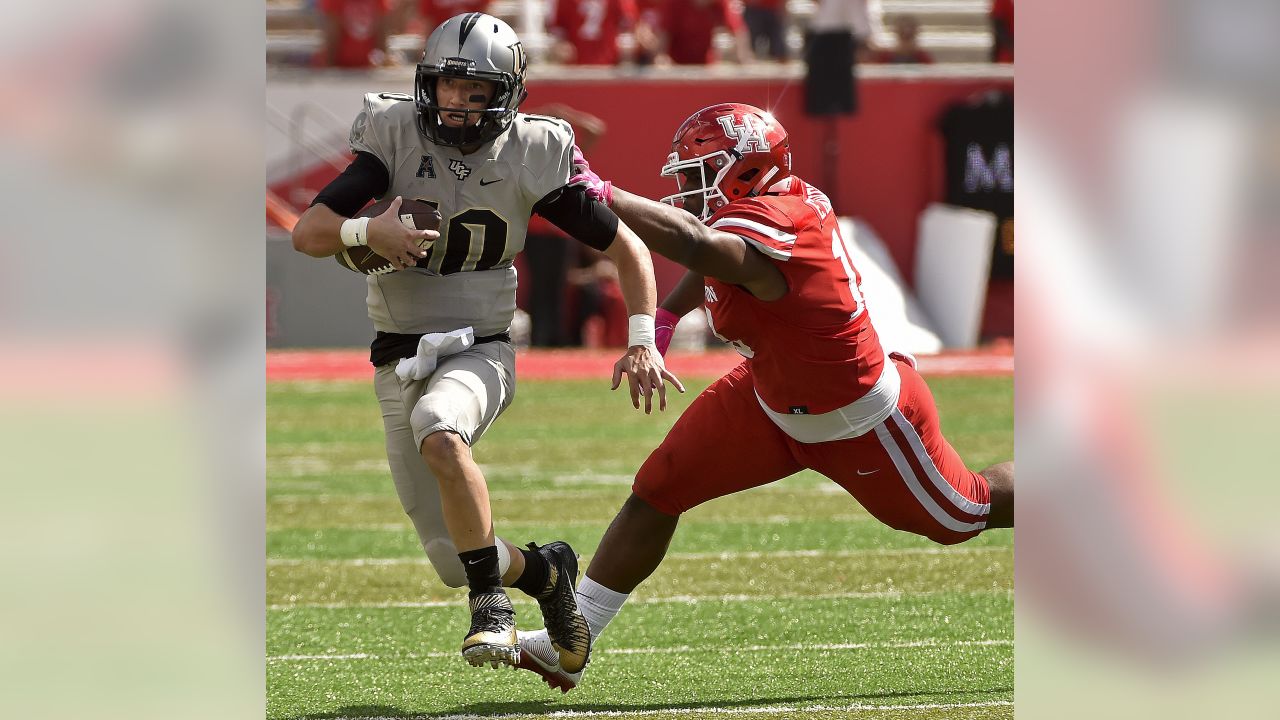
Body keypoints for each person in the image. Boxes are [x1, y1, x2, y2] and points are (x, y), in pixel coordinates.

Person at [513, 103, 1015, 691]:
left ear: (745, 170)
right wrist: (665, 324)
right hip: (768, 399)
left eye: (698, 171)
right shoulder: (747, 222)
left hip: (858, 418)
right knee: (659, 488)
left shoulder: (783, 217)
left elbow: (704, 249)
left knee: (963, 513)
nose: (685, 188)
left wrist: (597, 192)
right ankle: (571, 639)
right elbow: (712, 262)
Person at [290, 12, 680, 673]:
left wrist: (643, 337)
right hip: (397, 350)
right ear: (426, 86)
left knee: (439, 428)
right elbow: (310, 231)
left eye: (477, 93)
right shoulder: (392, 136)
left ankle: (492, 610)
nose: (459, 105)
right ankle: (546, 572)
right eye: (448, 87)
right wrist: (367, 233)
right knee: (451, 558)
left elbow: (628, 247)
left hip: (482, 344)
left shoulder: (533, 149)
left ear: (508, 97)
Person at [315, 0, 394, 68]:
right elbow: (332, 34)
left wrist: (384, 60)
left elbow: (381, 31)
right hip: (342, 68)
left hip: (368, 67)